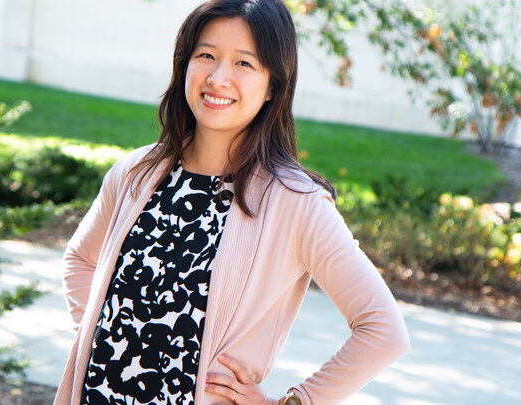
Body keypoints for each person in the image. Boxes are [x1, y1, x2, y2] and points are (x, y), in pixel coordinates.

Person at [53, 0, 410, 404]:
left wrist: (296, 401)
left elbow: (383, 330)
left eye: (244, 63)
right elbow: (80, 261)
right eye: (206, 55)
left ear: (273, 84)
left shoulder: (296, 203)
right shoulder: (136, 172)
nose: (218, 77)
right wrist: (98, 336)